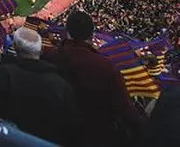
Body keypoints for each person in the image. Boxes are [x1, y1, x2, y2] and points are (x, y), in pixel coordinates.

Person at [44, 10, 144, 147]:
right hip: (96, 134)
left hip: (58, 129)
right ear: (92, 34)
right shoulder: (105, 67)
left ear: (67, 32)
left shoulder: (50, 56)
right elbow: (125, 108)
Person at [0, 27, 80, 145]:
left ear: (15, 48)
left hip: (7, 136)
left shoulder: (5, 72)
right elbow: (70, 120)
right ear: (40, 50)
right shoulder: (61, 84)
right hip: (41, 139)